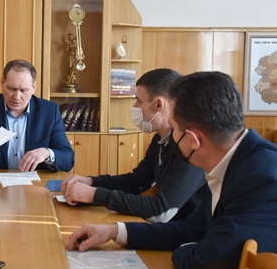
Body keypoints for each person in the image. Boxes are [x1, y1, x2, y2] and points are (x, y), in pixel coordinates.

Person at [68, 71, 277, 269]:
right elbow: (188, 230)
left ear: (193, 140)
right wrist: (113, 231)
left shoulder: (262, 179)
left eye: (174, 128)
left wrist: (187, 248)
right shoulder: (236, 163)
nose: (171, 137)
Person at [61, 68, 207, 222]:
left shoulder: (188, 147)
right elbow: (136, 182)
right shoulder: (160, 138)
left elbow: (161, 211)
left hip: (186, 238)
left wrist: (94, 194)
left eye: (139, 100)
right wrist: (90, 182)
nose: (135, 106)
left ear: (158, 104)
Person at [0, 59, 74, 176]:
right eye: (12, 89)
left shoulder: (49, 111)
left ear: (34, 87)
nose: (17, 97)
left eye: (24, 90)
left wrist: (47, 153)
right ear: (2, 82)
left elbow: (68, 159)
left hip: (35, 186)